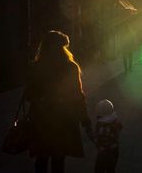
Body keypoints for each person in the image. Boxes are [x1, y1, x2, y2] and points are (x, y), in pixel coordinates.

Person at [25, 30, 93, 173]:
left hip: (40, 119)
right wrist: (85, 121)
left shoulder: (35, 67)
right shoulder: (70, 67)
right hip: (63, 119)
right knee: (58, 158)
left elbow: (28, 95)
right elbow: (77, 95)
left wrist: (41, 100)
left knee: (41, 158)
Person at [94, 99, 122, 173]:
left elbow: (98, 138)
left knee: (99, 170)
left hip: (104, 152)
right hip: (115, 150)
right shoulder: (115, 122)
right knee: (111, 169)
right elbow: (120, 127)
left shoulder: (102, 127)